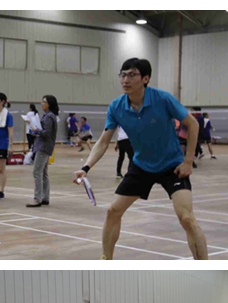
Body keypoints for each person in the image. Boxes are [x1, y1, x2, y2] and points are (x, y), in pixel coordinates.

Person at [74, 58, 208, 260]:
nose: (125, 80)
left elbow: (192, 124)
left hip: (172, 165)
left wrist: (188, 161)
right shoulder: (116, 106)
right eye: (123, 75)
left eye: (132, 75)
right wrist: (86, 167)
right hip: (141, 166)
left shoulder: (162, 99)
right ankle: (106, 261)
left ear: (145, 78)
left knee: (187, 218)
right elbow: (103, 141)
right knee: (113, 211)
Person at [26, 95, 59, 207]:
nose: (42, 104)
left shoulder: (49, 116)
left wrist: (36, 129)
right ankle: (45, 197)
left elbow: (46, 133)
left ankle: (37, 198)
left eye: (44, 102)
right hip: (45, 146)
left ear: (49, 104)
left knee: (37, 172)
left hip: (43, 147)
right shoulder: (50, 115)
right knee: (44, 173)